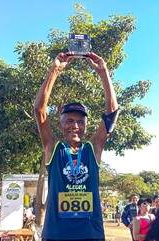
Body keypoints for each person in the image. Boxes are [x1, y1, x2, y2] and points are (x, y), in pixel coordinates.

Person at [34, 52, 119, 241]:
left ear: (86, 126)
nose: (75, 126)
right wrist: (54, 70)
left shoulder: (93, 148)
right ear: (60, 124)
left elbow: (112, 114)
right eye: (70, 121)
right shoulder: (53, 148)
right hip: (57, 236)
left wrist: (104, 72)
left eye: (80, 122)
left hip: (91, 235)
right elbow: (39, 110)